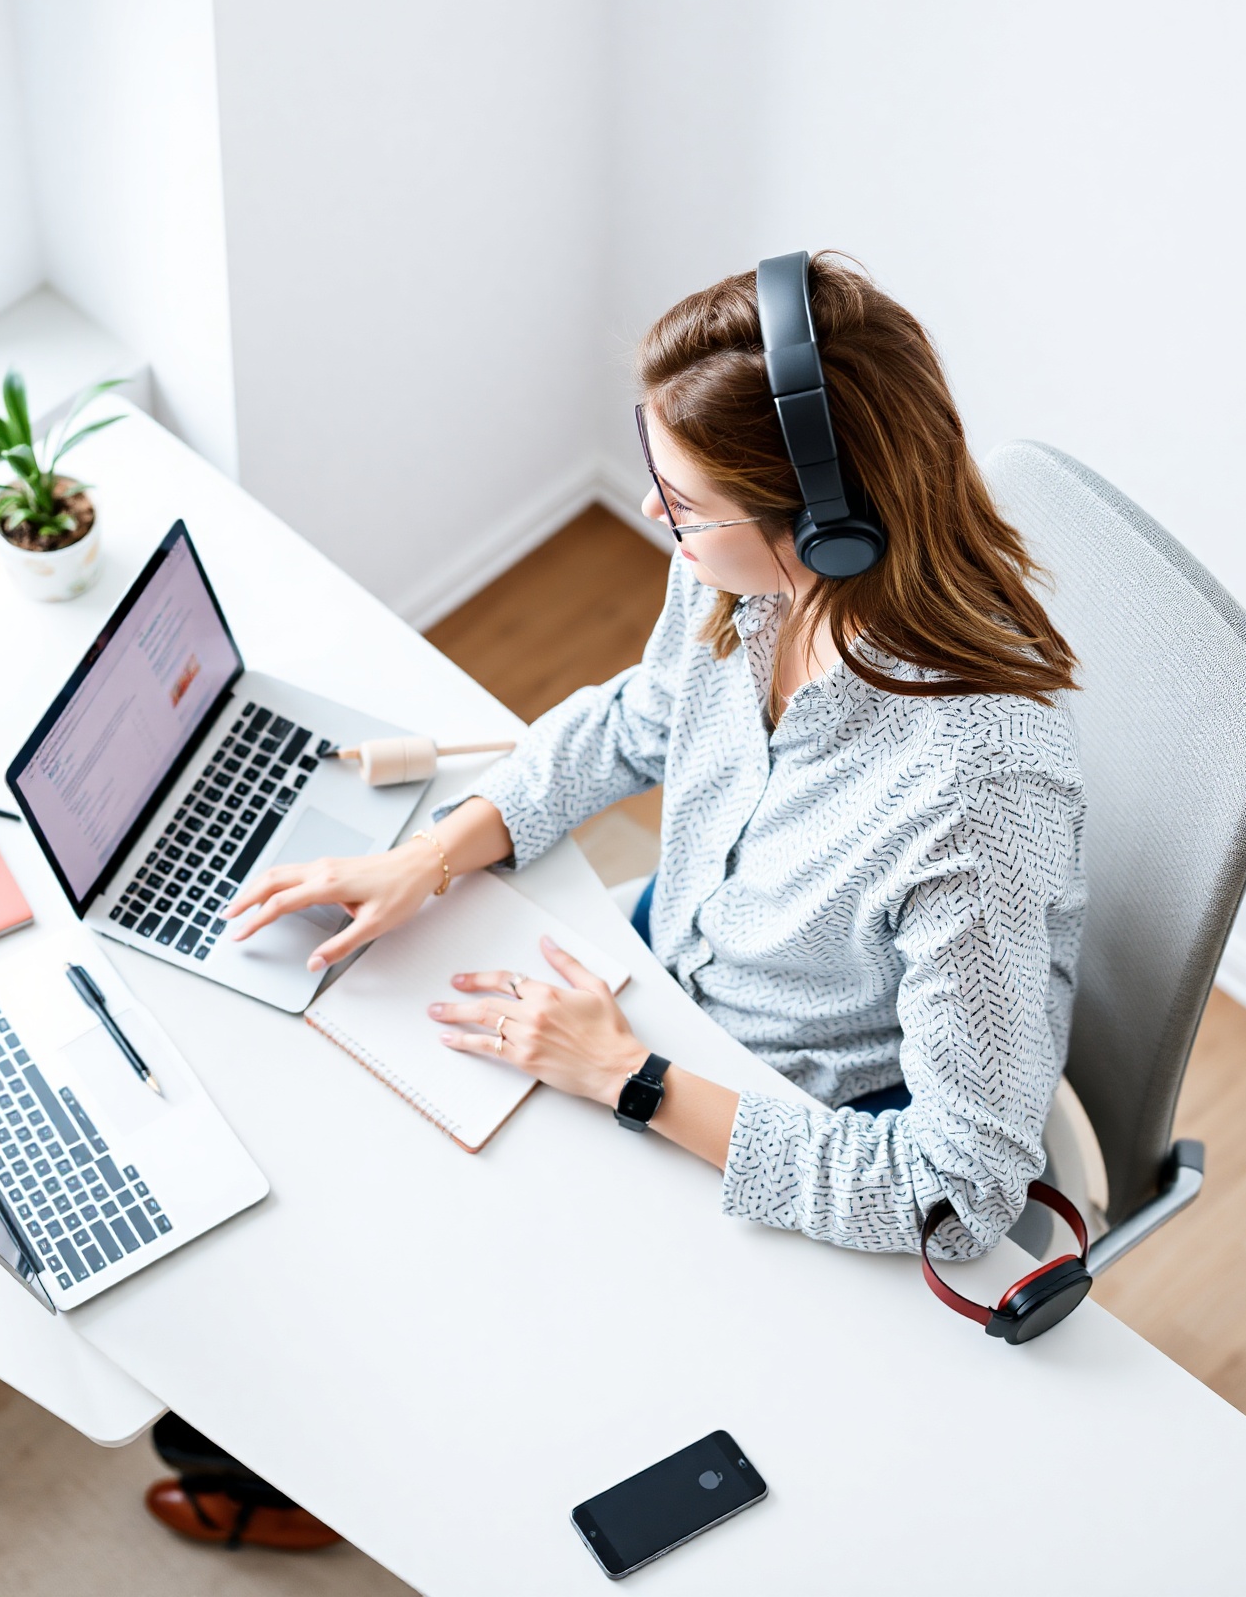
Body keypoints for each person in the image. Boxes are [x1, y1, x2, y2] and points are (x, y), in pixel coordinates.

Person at [143, 253, 1085, 1553]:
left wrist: (630, 1080)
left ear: (829, 527)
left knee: (499, 1302)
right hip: (656, 975)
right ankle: (285, 1431)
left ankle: (354, 1477)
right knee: (378, 1139)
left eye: (687, 505)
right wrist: (442, 848)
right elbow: (647, 717)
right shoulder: (742, 580)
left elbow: (960, 1196)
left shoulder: (975, 795)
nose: (654, 516)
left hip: (782, 1102)